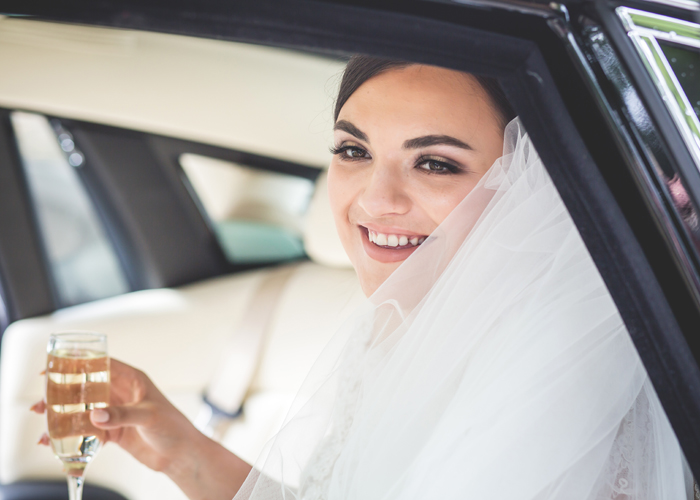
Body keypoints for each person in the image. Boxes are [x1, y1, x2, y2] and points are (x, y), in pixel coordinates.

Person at [33, 56, 689, 499]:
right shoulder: (400, 328)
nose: (376, 200)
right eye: (353, 151)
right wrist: (183, 451)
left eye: (434, 164)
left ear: (535, 192)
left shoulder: (561, 378)